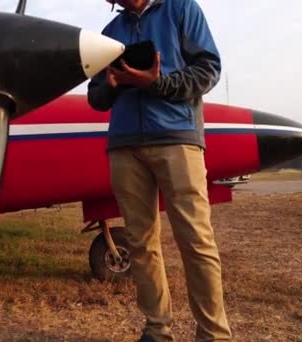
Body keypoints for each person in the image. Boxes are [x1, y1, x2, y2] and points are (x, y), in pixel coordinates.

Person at [87, 0, 231, 341]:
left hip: (177, 138)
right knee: (140, 242)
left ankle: (214, 334)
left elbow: (209, 68)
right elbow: (95, 96)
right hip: (124, 145)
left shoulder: (182, 9)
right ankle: (156, 329)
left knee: (195, 239)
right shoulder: (110, 33)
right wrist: (112, 83)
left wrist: (157, 82)